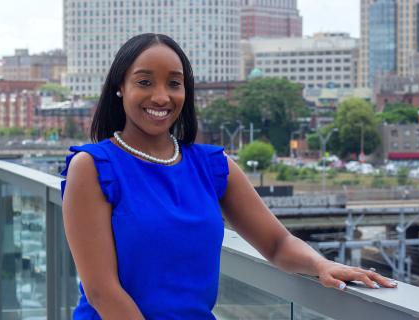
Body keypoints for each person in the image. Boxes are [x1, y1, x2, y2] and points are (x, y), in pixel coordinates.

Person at [61, 33, 397, 320]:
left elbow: (277, 243)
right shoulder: (93, 168)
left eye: (174, 83)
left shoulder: (211, 165)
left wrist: (321, 265)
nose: (161, 97)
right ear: (120, 86)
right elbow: (102, 292)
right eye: (144, 82)